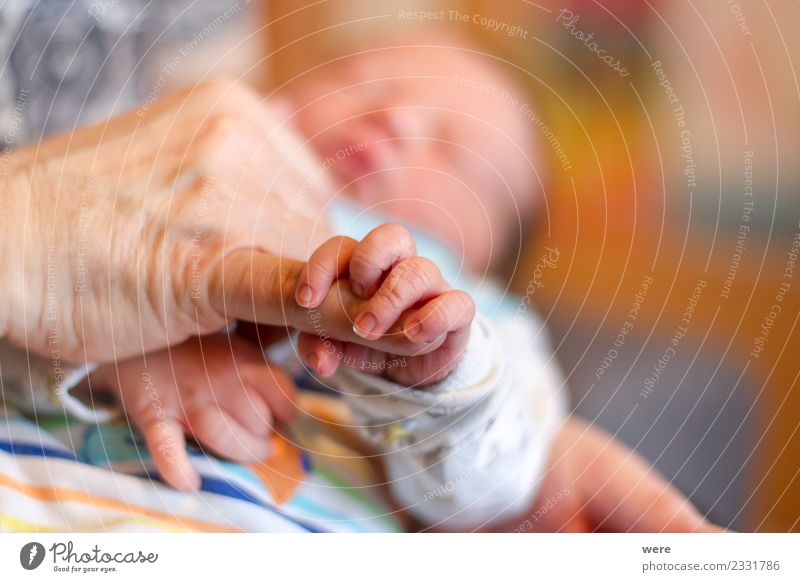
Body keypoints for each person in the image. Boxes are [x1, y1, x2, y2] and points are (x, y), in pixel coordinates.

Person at [0, 0, 717, 531]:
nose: (396, 120)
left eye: (452, 149)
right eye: (365, 82)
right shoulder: (130, 175)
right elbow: (34, 301)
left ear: (485, 258)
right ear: (270, 105)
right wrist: (126, 361)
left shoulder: (486, 322)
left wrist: (440, 364)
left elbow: (495, 479)